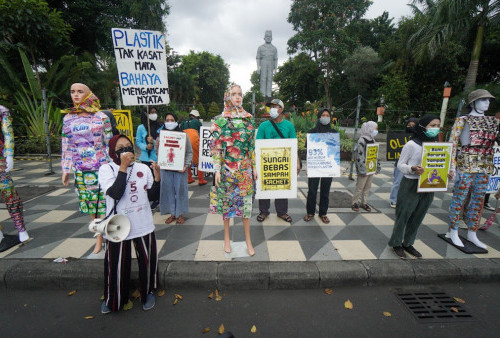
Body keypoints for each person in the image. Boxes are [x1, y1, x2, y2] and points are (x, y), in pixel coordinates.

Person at [98, 135, 160, 313]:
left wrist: (157, 178)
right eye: (121, 147)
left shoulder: (143, 167)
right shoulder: (106, 169)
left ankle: (148, 291)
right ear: (113, 152)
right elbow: (115, 193)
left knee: (147, 261)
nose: (126, 150)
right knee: (116, 265)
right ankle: (114, 298)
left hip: (143, 223)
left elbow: (152, 197)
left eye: (128, 146)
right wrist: (123, 167)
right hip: (118, 225)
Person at [61, 83, 112, 255]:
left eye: (79, 91)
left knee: (105, 204)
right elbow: (66, 145)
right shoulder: (68, 118)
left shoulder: (101, 117)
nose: (75, 95)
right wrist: (65, 169)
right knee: (91, 206)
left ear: (88, 93)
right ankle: (99, 237)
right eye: (72, 91)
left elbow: (109, 143)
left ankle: (110, 235)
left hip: (102, 167)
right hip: (81, 169)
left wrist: (114, 166)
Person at [210, 83, 257, 256]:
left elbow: (251, 146)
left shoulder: (249, 118)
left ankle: (248, 241)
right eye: (234, 94)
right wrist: (216, 169)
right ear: (227, 96)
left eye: (240, 94)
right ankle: (227, 239)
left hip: (244, 169)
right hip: (226, 170)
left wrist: (254, 166)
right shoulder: (219, 120)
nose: (237, 97)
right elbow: (216, 148)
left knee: (246, 206)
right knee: (226, 206)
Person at [448, 89, 497, 249]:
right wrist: (452, 166)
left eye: (488, 100)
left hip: (484, 164)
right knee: (459, 198)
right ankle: (453, 230)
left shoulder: (492, 121)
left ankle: (472, 232)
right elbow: (453, 143)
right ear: (473, 102)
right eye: (483, 100)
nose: (487, 103)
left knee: (478, 200)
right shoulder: (463, 120)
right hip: (466, 163)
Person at [388, 115, 441, 258]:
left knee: (418, 215)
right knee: (404, 214)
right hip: (410, 183)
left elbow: (441, 163)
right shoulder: (411, 145)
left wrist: (448, 172)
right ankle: (396, 243)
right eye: (432, 125)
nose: (436, 129)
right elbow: (400, 165)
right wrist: (412, 168)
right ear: (423, 127)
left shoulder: (437, 145)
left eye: (438, 125)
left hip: (428, 185)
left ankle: (408, 243)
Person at [256, 98, 300, 223]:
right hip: (267, 161)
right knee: (265, 185)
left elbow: (293, 145)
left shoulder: (289, 126)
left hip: (283, 162)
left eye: (275, 107)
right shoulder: (263, 126)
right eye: (271, 107)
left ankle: (282, 212)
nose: (272, 109)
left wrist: (296, 162)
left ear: (281, 109)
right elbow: (257, 145)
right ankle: (263, 211)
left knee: (282, 184)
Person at [0, 104, 30, 252]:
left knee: (9, 194)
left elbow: (7, 133)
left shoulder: (1, 111)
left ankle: (21, 228)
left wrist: (9, 153)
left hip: (0, 160)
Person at [303, 108, 338, 224]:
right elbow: (308, 149)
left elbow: (335, 150)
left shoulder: (333, 133)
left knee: (325, 190)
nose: (325, 117)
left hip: (328, 166)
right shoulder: (312, 132)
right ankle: (310, 212)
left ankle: (323, 213)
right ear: (319, 117)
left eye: (327, 115)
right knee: (312, 190)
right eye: (323, 115)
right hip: (315, 165)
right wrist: (308, 166)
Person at [157, 112, 193, 225]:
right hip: (166, 170)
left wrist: (185, 165)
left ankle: (180, 214)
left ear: (176, 122)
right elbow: (157, 154)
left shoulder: (183, 136)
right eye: (167, 120)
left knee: (180, 191)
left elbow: (189, 152)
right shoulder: (161, 137)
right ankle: (172, 213)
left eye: (172, 120)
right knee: (168, 191)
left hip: (180, 170)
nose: (169, 122)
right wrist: (156, 146)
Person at [389, 118, 418, 208]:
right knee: (397, 182)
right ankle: (393, 200)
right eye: (409, 125)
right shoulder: (401, 136)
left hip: (412, 165)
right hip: (400, 164)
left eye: (413, 125)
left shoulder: (418, 138)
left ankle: (405, 200)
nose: (410, 127)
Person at [352, 121, 381, 212]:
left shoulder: (373, 140)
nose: (376, 131)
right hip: (363, 169)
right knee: (360, 187)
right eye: (375, 129)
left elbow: (375, 154)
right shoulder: (362, 140)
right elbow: (359, 156)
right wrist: (362, 170)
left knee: (367, 187)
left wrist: (376, 167)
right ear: (370, 128)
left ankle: (364, 203)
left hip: (371, 168)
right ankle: (354, 202)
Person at [136, 107, 161, 209]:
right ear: (146, 114)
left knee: (159, 180)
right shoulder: (141, 127)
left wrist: (154, 142)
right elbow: (138, 141)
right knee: (149, 181)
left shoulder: (161, 126)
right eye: (151, 112)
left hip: (159, 158)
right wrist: (146, 146)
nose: (154, 114)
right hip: (146, 158)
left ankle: (160, 198)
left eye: (155, 112)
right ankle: (152, 199)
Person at [179, 109, 207, 185]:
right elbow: (202, 133)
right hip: (194, 141)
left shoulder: (182, 123)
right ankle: (201, 180)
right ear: (196, 116)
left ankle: (189, 178)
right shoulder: (197, 122)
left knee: (187, 159)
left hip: (184, 141)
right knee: (198, 160)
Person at [256, 30, 278, 98]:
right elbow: (258, 58)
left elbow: (276, 59)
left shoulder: (274, 48)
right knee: (263, 78)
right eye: (267, 36)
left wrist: (275, 69)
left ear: (272, 38)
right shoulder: (260, 47)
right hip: (263, 62)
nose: (268, 38)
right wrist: (258, 68)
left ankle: (268, 94)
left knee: (270, 79)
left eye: (270, 37)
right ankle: (262, 95)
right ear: (264, 37)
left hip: (271, 63)